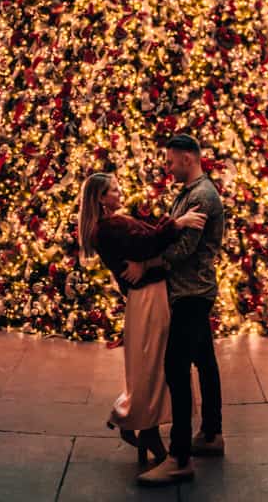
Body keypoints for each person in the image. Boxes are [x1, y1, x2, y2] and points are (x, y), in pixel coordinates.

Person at [78, 172, 207, 467]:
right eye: (113, 189)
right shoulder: (110, 226)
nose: (120, 191)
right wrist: (180, 223)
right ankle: (143, 427)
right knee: (156, 364)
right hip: (149, 297)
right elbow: (149, 241)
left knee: (152, 363)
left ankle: (142, 425)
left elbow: (146, 241)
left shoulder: (111, 224)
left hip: (148, 297)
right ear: (100, 198)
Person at [130, 133, 225, 487]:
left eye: (170, 161)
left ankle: (180, 456)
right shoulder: (191, 192)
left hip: (191, 293)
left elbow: (182, 250)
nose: (166, 167)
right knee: (205, 360)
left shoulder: (200, 196)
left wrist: (148, 261)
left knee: (176, 366)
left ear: (187, 158)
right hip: (193, 290)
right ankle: (212, 434)